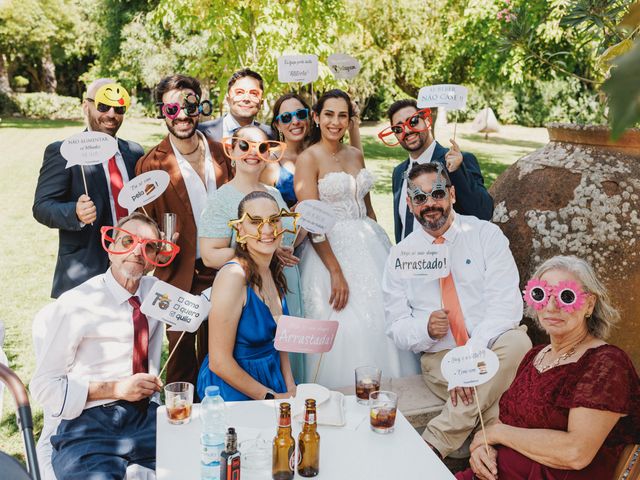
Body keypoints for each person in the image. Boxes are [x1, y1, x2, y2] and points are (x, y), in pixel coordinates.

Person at [382, 162, 531, 459]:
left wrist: (471, 358)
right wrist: (424, 328)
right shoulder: (400, 256)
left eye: (437, 193)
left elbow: (506, 306)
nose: (430, 204)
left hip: (493, 346)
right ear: (410, 204)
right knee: (495, 399)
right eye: (420, 198)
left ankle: (433, 445)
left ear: (451, 194)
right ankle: (489, 449)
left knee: (520, 342)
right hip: (440, 356)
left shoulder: (486, 236)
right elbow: (396, 325)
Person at [457, 255, 640, 480]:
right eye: (541, 294)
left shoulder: (606, 364)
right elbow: (504, 421)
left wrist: (498, 434)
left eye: (566, 296)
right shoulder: (535, 355)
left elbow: (576, 452)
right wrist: (483, 446)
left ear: (589, 304)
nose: (552, 307)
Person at [30, 213, 175, 479]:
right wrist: (117, 388)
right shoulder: (77, 304)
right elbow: (44, 386)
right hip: (90, 424)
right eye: (127, 241)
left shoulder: (157, 292)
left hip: (146, 418)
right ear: (110, 248)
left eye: (148, 246)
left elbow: (198, 311)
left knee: (199, 465)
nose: (136, 251)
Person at [295, 89, 420, 389]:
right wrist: (335, 272)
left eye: (342, 115)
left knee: (384, 316)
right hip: (329, 248)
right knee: (347, 324)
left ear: (350, 119)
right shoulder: (308, 159)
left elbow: (367, 207)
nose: (335, 122)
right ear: (316, 117)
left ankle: (391, 388)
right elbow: (313, 223)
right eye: (328, 114)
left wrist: (384, 245)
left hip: (369, 242)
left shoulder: (356, 154)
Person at [136, 74, 232, 388]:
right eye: (172, 109)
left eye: (189, 106)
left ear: (200, 107)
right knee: (180, 363)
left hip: (225, 270)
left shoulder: (223, 153)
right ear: (162, 113)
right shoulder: (151, 165)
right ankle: (183, 422)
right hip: (179, 276)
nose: (182, 116)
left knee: (223, 354)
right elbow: (143, 223)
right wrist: (156, 249)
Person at [198, 125, 305, 381]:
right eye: (244, 145)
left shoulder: (275, 194)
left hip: (283, 285)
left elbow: (283, 236)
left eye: (262, 147)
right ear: (232, 150)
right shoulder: (220, 199)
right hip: (248, 291)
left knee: (288, 352)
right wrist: (260, 251)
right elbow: (210, 255)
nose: (252, 152)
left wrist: (303, 227)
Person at [33, 78, 144, 298]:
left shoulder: (134, 152)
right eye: (103, 106)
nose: (111, 114)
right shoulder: (63, 151)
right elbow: (42, 207)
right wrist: (74, 212)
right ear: (87, 106)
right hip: (85, 271)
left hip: (130, 265)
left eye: (119, 108)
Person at [197, 191, 298, 401]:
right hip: (233, 389)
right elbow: (219, 362)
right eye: (255, 222)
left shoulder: (272, 270)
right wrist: (271, 398)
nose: (268, 230)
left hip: (272, 381)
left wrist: (290, 388)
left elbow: (281, 342)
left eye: (274, 220)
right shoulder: (233, 277)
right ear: (240, 229)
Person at [382, 99, 494, 244]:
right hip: (408, 262)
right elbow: (402, 226)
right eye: (398, 129)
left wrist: (457, 171)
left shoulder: (459, 161)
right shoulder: (398, 173)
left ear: (427, 120)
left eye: (413, 121)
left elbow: (483, 213)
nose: (407, 130)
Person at [198, 68, 273, 141]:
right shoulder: (200, 132)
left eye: (254, 93)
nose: (246, 99)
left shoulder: (272, 135)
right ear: (228, 99)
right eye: (239, 92)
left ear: (261, 102)